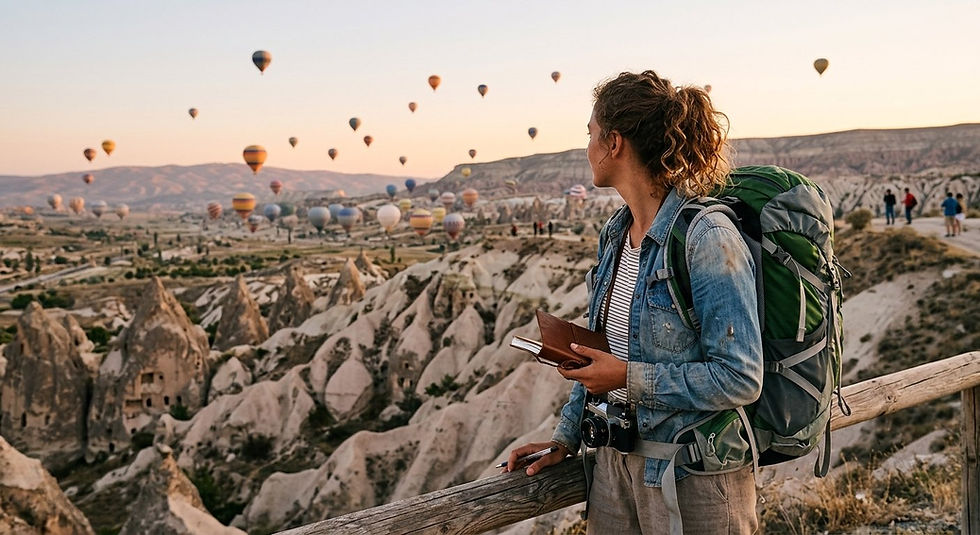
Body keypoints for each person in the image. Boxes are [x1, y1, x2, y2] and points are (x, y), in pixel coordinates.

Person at [506, 71, 763, 534]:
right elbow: (599, 356)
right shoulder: (614, 235)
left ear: (614, 143)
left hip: (692, 475)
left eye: (590, 134)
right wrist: (566, 436)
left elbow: (740, 377)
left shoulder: (706, 237)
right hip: (613, 467)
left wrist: (627, 377)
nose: (586, 148)